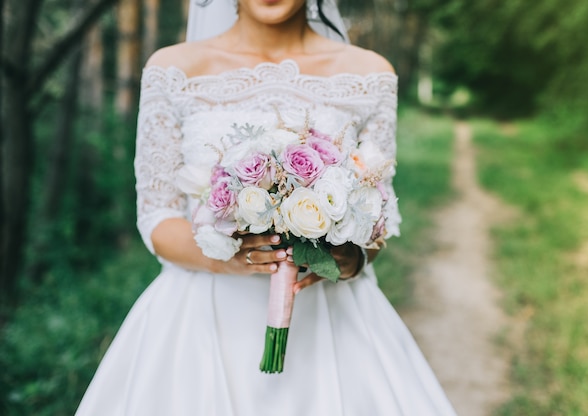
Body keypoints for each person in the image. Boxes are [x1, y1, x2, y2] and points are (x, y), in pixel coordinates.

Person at [75, 0, 458, 414]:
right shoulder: (174, 70)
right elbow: (157, 218)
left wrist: (348, 259)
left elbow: (379, 215)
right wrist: (234, 257)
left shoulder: (369, 75)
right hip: (203, 316)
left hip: (330, 316)